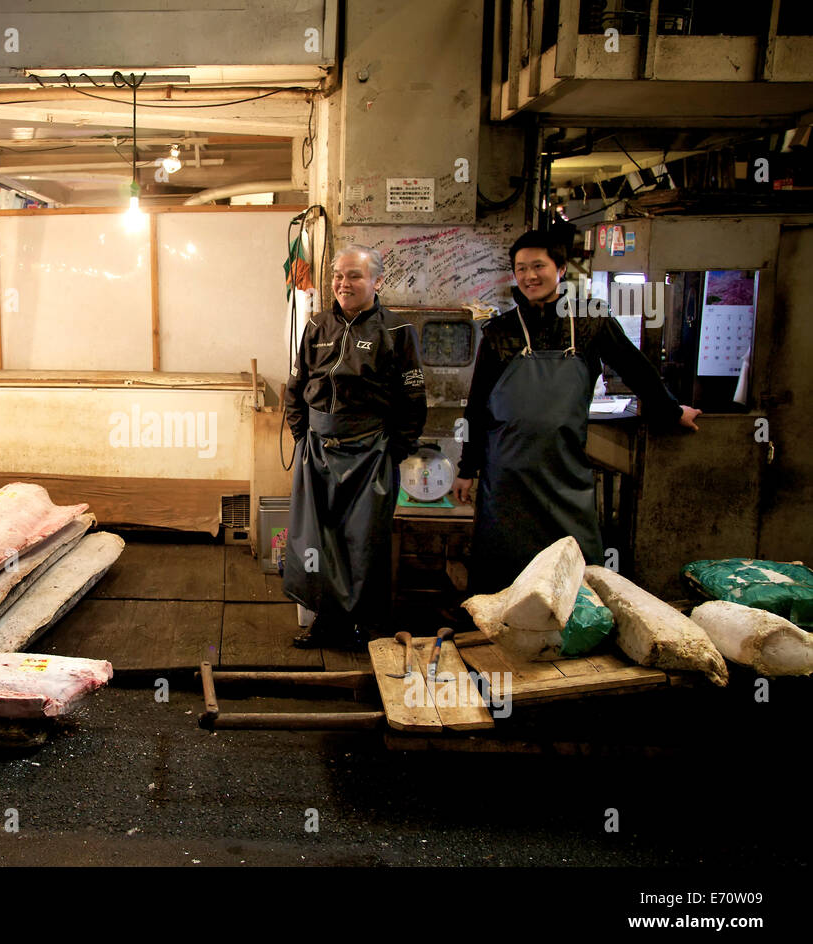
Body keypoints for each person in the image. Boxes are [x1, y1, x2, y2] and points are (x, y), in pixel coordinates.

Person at [451, 230, 702, 594]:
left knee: (577, 567)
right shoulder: (499, 332)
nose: (529, 276)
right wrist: (466, 468)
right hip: (505, 473)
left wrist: (671, 410)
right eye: (521, 269)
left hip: (564, 471)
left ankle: (578, 628)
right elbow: (476, 406)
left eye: (539, 266)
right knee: (501, 569)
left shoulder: (590, 322)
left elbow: (636, 368)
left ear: (562, 268)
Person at [282, 244, 428, 648]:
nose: (343, 284)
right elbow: (295, 388)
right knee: (317, 538)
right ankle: (324, 622)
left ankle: (362, 625)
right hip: (318, 450)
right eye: (338, 276)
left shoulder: (397, 332)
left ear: (377, 282)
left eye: (355, 276)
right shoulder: (315, 326)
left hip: (372, 453)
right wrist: (302, 436)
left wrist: (394, 450)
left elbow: (413, 401)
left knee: (363, 540)